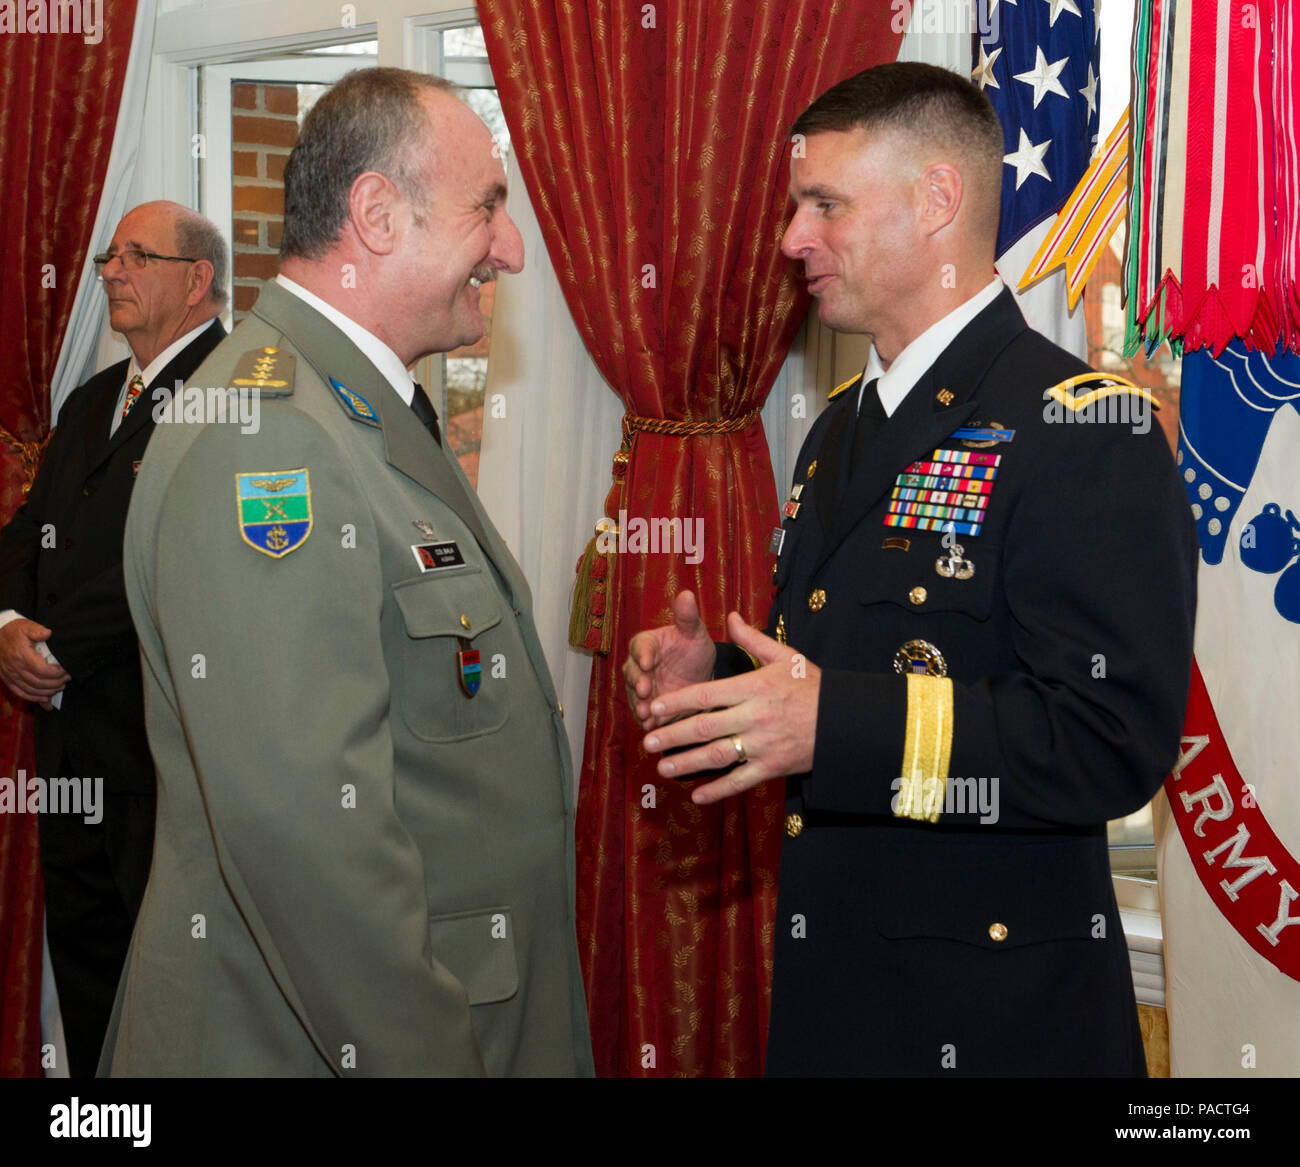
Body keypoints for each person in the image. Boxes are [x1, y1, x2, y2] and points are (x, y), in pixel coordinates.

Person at [625, 63, 1196, 1076]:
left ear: (937, 201)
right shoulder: (840, 427)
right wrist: (717, 683)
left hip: (995, 1020)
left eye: (823, 204)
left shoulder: (1082, 425)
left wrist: (826, 721)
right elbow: (847, 663)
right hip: (836, 997)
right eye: (796, 204)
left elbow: (1109, 739)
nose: (789, 237)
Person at [99, 68, 592, 1077]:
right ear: (375, 215)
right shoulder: (269, 442)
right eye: (488, 207)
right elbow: (307, 843)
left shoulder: (355, 409)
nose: (512, 248)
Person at [0, 201, 227, 1077]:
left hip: (161, 750)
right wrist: (10, 623)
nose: (111, 272)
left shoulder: (230, 392)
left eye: (137, 255)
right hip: (68, 749)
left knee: (169, 990)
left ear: (197, 278)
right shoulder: (95, 396)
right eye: (108, 256)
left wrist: (55, 651)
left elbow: (177, 554)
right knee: (90, 976)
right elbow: (27, 531)